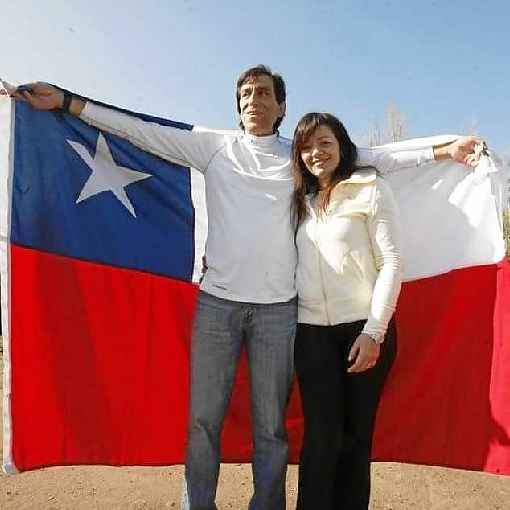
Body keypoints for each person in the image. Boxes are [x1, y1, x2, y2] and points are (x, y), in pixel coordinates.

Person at [2, 67, 482, 510]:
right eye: (247, 94)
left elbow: (371, 155)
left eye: (265, 94)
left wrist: (443, 150)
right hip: (218, 306)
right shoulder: (214, 147)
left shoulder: (297, 159)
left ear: (280, 108)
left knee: (271, 429)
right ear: (238, 107)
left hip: (279, 313)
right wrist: (66, 102)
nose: (255, 100)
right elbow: (141, 131)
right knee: (203, 423)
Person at [291, 112, 424, 510]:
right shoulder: (299, 201)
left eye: (325, 143)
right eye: (307, 146)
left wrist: (374, 332)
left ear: (342, 147)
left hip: (363, 331)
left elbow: (392, 262)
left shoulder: (370, 188)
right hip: (311, 332)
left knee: (354, 441)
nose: (317, 153)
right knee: (320, 439)